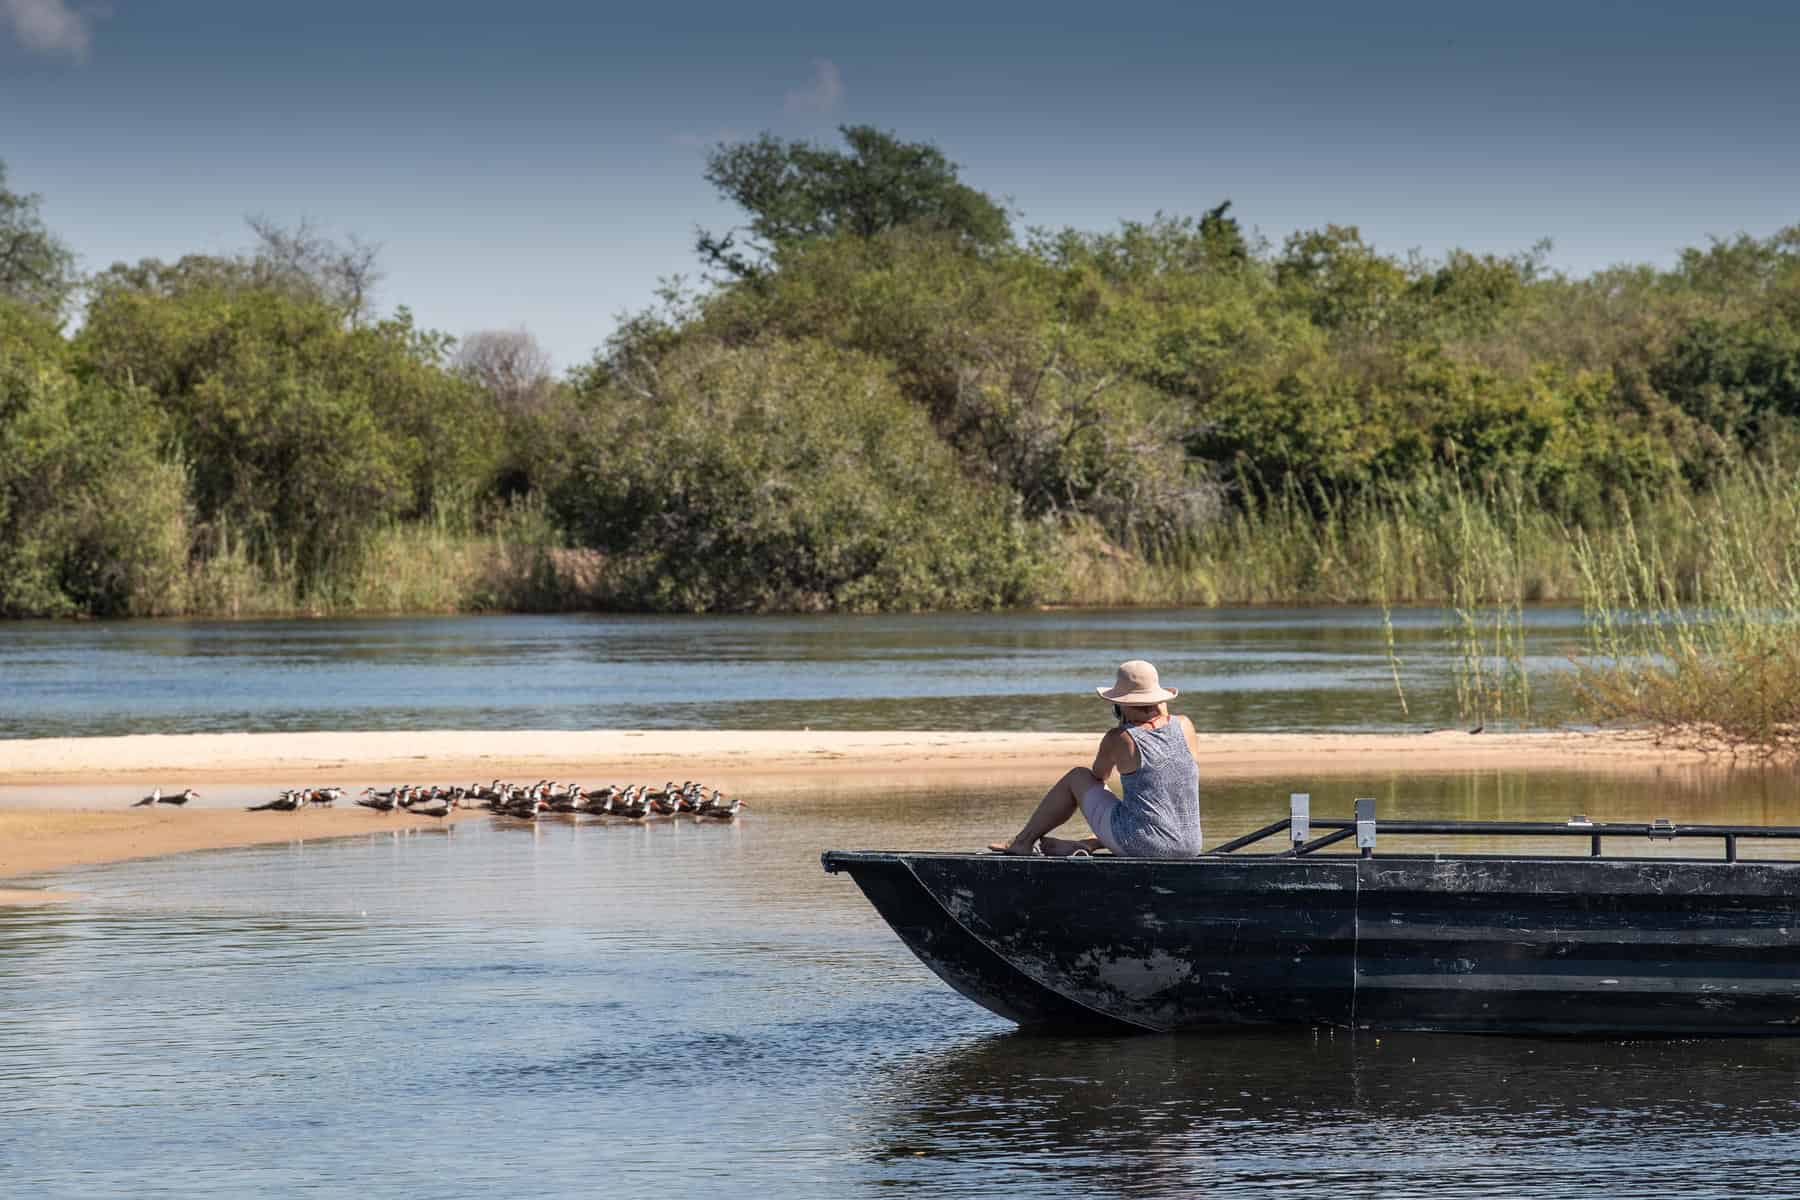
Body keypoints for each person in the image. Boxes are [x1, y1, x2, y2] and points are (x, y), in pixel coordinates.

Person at [987, 659, 1202, 858]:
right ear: (1159, 698)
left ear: (1120, 704)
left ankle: (1023, 842)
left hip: (1144, 845)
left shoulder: (1119, 738)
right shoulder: (1185, 725)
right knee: (1141, 811)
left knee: (1077, 776)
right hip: (1191, 845)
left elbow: (1099, 775)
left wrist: (1123, 727)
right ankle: (1085, 844)